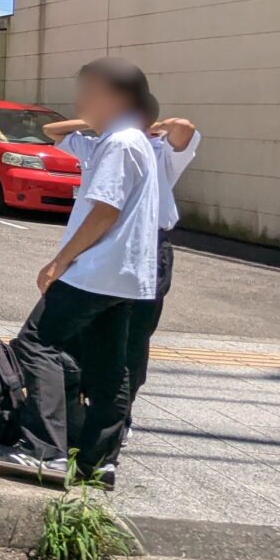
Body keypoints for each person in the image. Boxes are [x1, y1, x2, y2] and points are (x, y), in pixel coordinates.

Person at [0, 57, 162, 485]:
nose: (78, 99)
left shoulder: (121, 142)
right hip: (124, 275)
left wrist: (60, 260)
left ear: (116, 97)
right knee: (109, 366)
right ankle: (97, 462)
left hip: (95, 269)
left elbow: (104, 211)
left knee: (36, 343)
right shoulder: (128, 139)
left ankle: (45, 450)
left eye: (87, 91)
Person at [43, 112, 200, 423]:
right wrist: (94, 120)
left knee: (132, 337)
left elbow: (184, 128)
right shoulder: (101, 145)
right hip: (95, 248)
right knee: (79, 333)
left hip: (145, 250)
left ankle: (118, 419)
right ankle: (75, 412)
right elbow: (51, 131)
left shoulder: (161, 151)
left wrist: (148, 125)